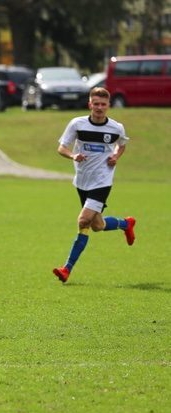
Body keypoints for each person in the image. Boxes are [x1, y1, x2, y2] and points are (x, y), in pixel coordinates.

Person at [52, 87, 136, 283]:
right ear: (90, 104)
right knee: (98, 225)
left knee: (83, 221)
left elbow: (122, 144)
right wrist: (73, 155)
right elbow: (61, 148)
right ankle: (126, 223)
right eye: (95, 104)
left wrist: (116, 156)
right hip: (82, 181)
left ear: (108, 106)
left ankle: (66, 269)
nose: (99, 107)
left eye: (103, 104)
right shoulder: (77, 124)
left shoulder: (116, 128)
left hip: (102, 180)